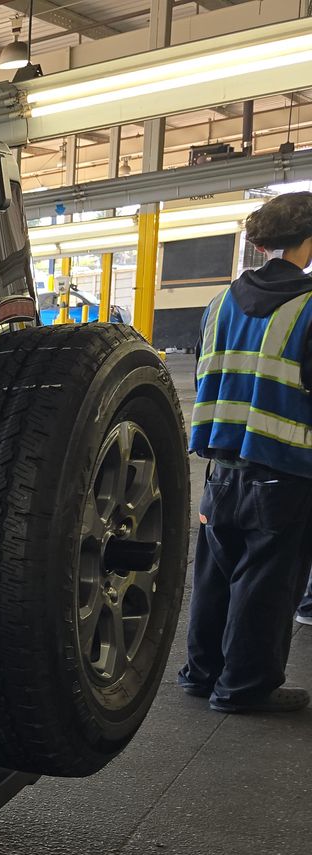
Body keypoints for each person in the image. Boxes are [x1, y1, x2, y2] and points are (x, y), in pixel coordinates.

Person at [179, 191, 312, 713]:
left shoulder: (219, 303)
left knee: (214, 572)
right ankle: (245, 687)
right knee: (268, 582)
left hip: (220, 466)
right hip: (285, 470)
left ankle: (201, 672)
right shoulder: (308, 305)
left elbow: (203, 376)